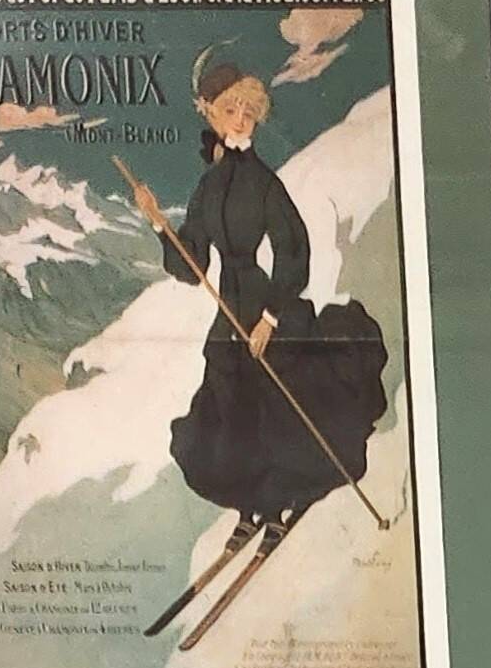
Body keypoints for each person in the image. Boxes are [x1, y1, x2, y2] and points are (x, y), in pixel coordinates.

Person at [129, 52, 386, 552]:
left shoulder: (264, 183)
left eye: (249, 111)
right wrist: (158, 222)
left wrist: (270, 317)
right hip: (230, 314)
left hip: (270, 309)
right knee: (229, 417)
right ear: (208, 111)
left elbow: (295, 252)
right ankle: (252, 507)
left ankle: (278, 504)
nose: (242, 120)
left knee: (274, 416)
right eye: (231, 110)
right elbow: (191, 266)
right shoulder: (208, 188)